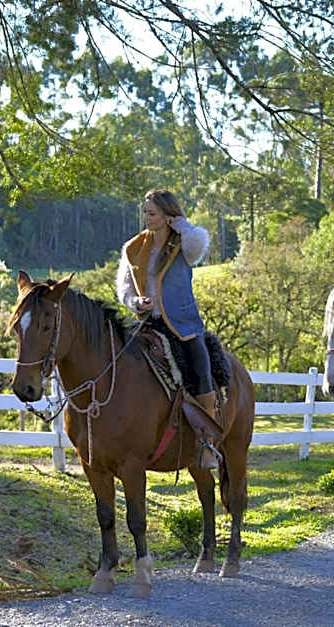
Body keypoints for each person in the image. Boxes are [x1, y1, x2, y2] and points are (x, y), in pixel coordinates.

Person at [116, 188, 222, 471]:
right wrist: (135, 301)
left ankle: (207, 442)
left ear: (167, 215)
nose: (147, 218)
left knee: (201, 367)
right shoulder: (134, 247)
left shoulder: (184, 242)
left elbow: (200, 243)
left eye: (152, 213)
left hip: (183, 325)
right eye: (146, 212)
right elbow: (123, 288)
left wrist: (181, 224)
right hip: (146, 322)